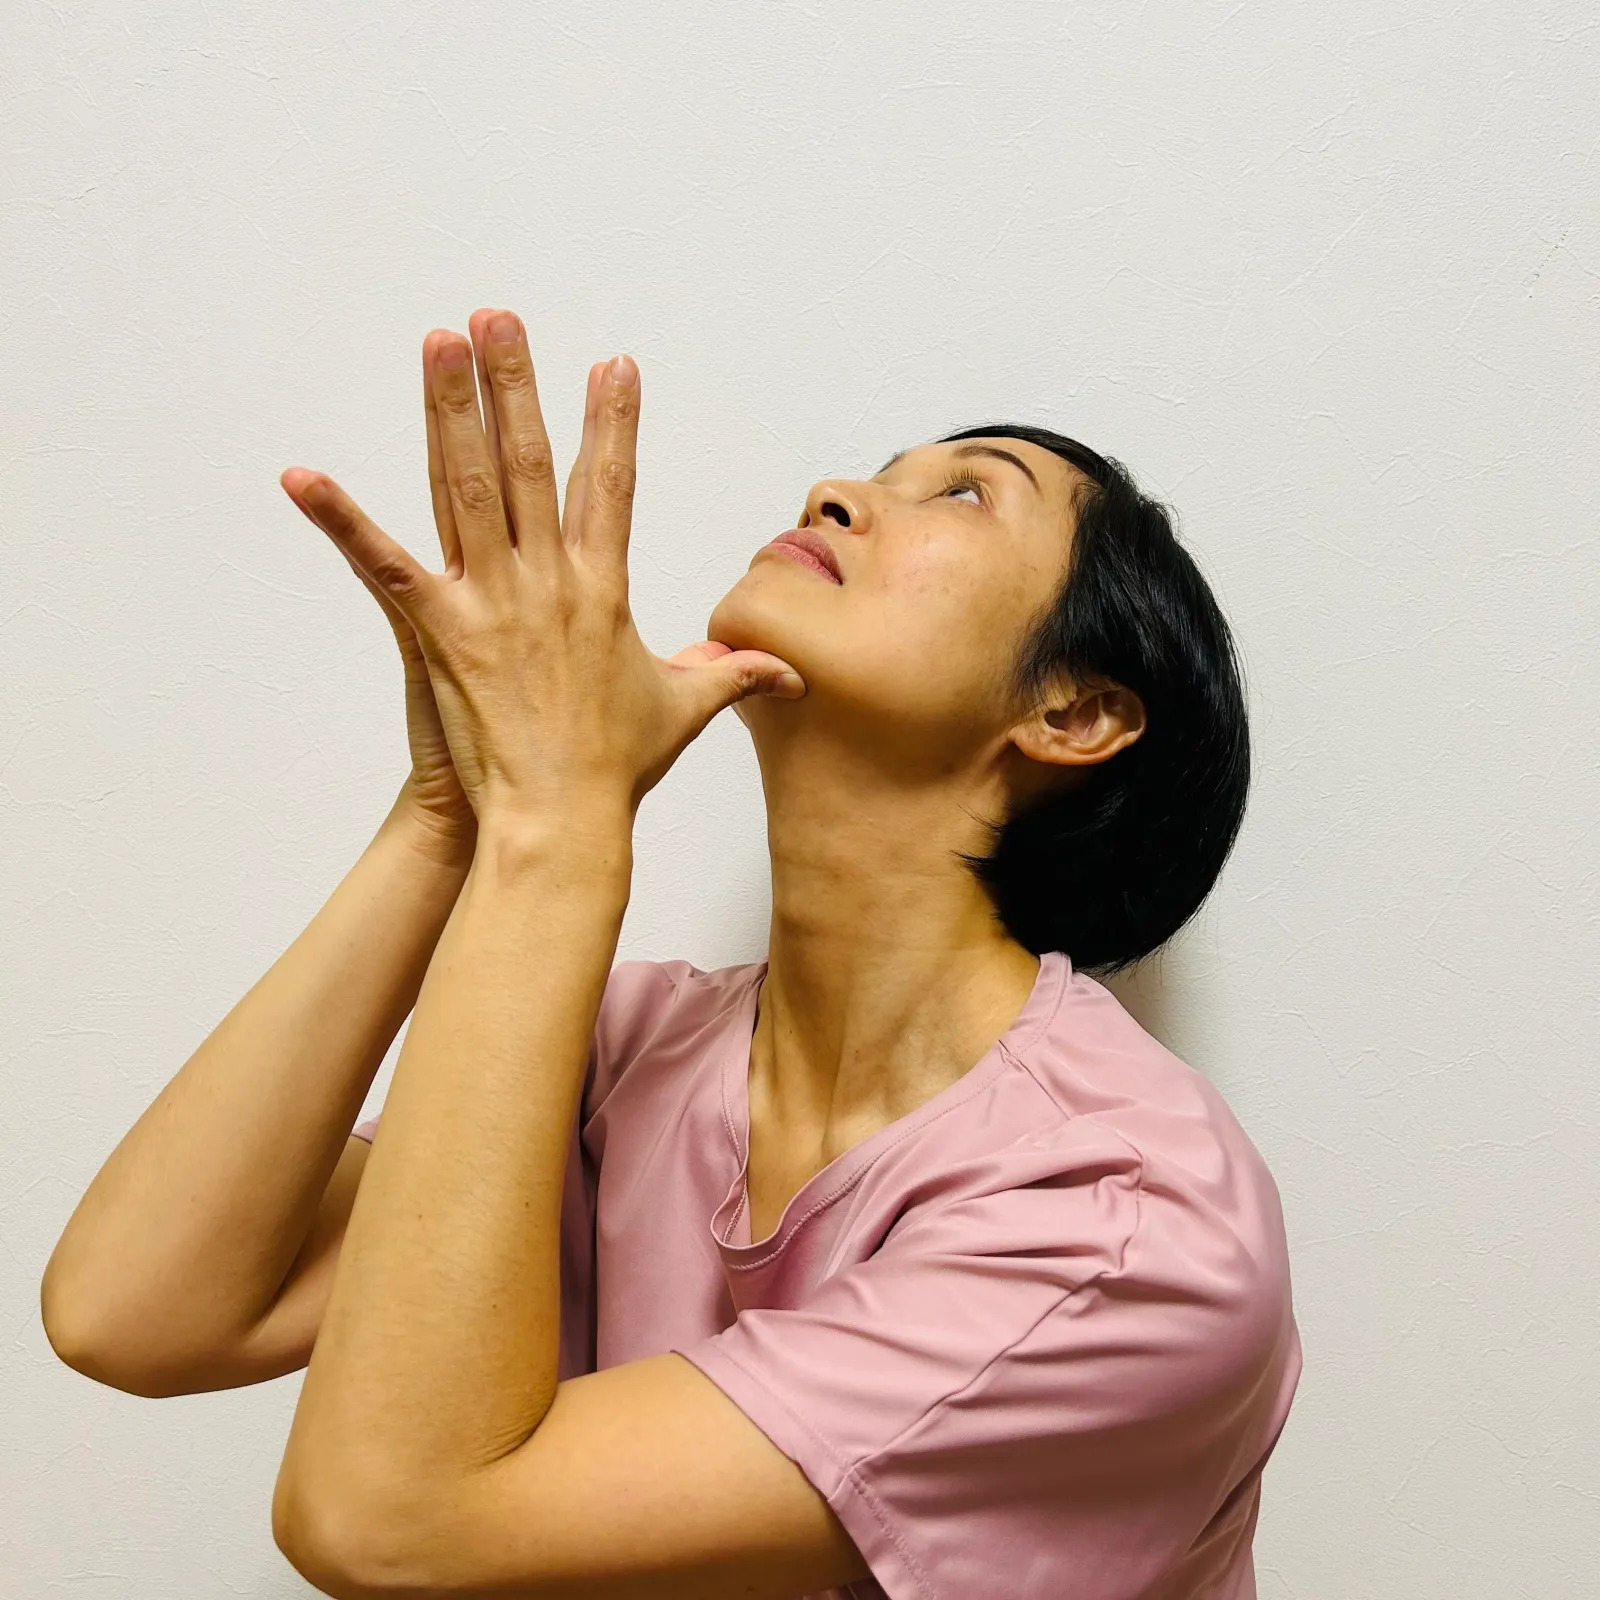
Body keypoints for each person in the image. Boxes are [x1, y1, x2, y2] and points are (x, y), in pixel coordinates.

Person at [42, 308, 1301, 1600]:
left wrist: (560, 818)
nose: (836, 493)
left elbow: (383, 1521)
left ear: (1074, 712)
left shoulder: (1132, 1229)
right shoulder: (628, 1056)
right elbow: (135, 1308)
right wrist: (451, 814)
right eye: (885, 470)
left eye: (967, 493)